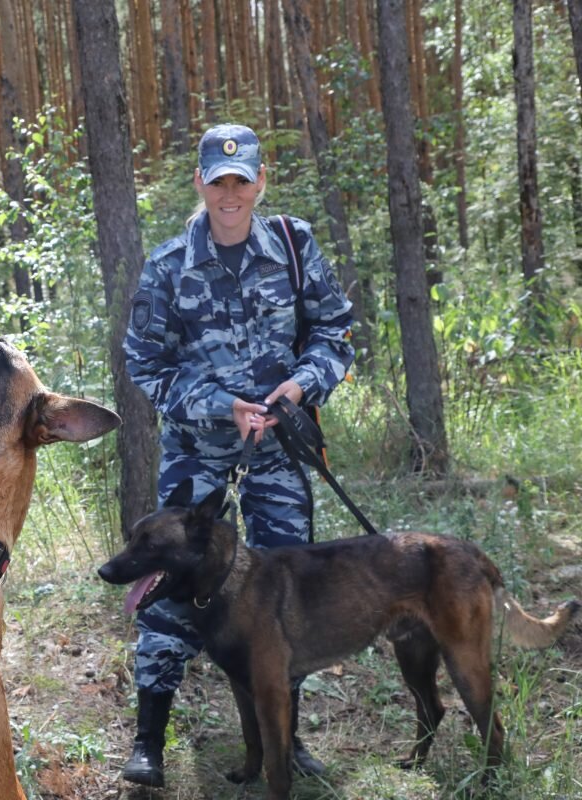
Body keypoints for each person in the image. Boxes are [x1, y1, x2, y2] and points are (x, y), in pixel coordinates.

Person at [120, 123, 354, 787]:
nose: (230, 193)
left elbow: (335, 332)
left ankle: (287, 738)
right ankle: (150, 741)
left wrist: (302, 384)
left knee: (290, 594)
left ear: (260, 181)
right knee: (172, 586)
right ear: (200, 183)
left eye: (241, 181)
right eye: (218, 181)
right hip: (199, 455)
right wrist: (218, 404)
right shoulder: (168, 267)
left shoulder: (294, 245)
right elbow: (145, 361)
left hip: (278, 452)